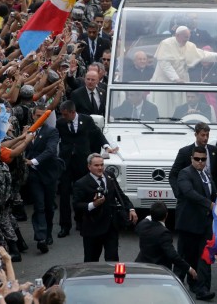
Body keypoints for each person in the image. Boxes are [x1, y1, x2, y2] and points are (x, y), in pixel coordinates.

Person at [56, 101, 112, 238]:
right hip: (66, 162)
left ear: (72, 112)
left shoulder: (86, 120)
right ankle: (65, 225)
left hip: (82, 162)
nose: (63, 117)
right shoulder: (60, 123)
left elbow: (98, 135)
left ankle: (81, 220)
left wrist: (106, 147)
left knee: (83, 191)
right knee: (64, 194)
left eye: (65, 114)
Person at [72, 153, 137, 262]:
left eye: (102, 165)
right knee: (91, 262)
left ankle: (112, 279)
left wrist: (131, 209)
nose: (100, 168)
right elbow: (76, 205)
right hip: (93, 228)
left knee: (112, 260)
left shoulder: (109, 176)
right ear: (89, 167)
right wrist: (94, 204)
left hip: (111, 226)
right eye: (96, 165)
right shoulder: (81, 183)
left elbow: (119, 194)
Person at [174, 146, 216, 301]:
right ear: (191, 159)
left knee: (205, 256)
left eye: (203, 159)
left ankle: (202, 289)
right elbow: (189, 193)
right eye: (197, 159)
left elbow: (214, 194)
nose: (200, 162)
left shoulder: (206, 175)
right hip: (189, 223)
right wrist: (209, 204)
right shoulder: (185, 173)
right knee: (185, 257)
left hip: (205, 223)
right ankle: (175, 286)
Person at [151, 26, 217, 115]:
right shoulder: (166, 44)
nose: (187, 40)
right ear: (177, 35)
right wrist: (175, 78)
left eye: (188, 37)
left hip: (181, 82)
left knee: (180, 108)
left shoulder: (188, 45)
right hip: (165, 82)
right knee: (164, 110)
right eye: (185, 37)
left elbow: (202, 54)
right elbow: (165, 64)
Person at [25, 104, 61, 252]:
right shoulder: (27, 131)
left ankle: (48, 232)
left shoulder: (51, 131)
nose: (39, 118)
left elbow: (51, 150)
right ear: (33, 116)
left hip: (49, 174)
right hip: (34, 175)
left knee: (48, 206)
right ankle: (41, 237)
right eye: (37, 115)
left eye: (42, 116)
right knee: (39, 206)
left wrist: (34, 161)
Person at [135, 200, 197, 279]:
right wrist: (189, 269)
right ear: (166, 215)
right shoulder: (164, 233)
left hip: (142, 267)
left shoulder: (142, 225)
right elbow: (173, 255)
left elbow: (144, 221)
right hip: (158, 271)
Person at [169, 122, 217, 196]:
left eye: (207, 135)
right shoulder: (185, 152)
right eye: (203, 135)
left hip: (210, 196)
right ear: (196, 135)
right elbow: (173, 175)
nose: (205, 138)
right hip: (192, 196)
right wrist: (179, 193)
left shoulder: (214, 150)